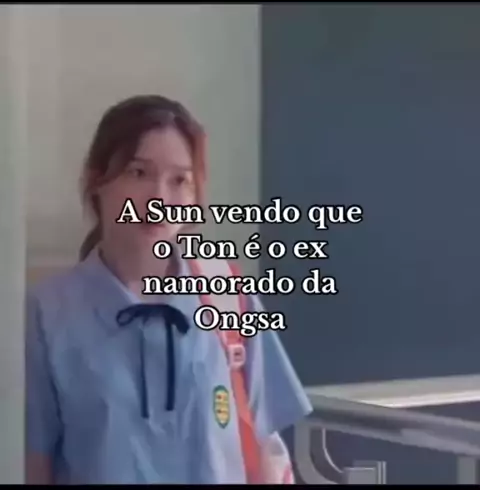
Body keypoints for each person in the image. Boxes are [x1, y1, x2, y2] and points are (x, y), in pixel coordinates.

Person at [25, 95, 313, 484]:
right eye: (139, 173)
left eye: (179, 180)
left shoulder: (227, 293)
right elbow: (32, 465)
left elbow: (263, 450)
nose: (159, 198)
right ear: (97, 182)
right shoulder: (47, 314)